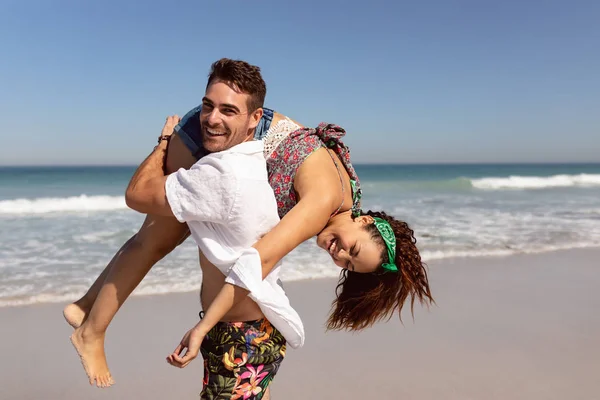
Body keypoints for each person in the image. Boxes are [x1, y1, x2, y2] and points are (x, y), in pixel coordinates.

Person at [65, 59, 434, 393]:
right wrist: (203, 329)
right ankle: (91, 333)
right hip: (222, 129)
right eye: (352, 249)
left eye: (348, 265)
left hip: (244, 124)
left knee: (161, 235)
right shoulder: (322, 204)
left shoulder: (347, 199)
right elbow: (259, 260)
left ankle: (85, 306)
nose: (339, 255)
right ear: (365, 220)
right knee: (160, 237)